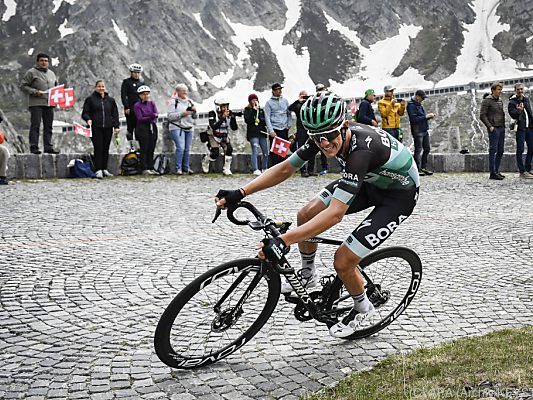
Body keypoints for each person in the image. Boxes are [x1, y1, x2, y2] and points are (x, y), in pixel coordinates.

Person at [215, 92, 420, 338]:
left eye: (329, 136)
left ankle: (363, 307)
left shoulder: (361, 151)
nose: (323, 143)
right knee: (306, 213)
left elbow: (335, 215)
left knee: (343, 260)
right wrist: (241, 192)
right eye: (316, 138)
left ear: (344, 126)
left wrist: (284, 240)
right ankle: (309, 276)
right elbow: (286, 168)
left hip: (398, 197)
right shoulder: (324, 133)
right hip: (370, 183)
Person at [19, 53, 59, 154]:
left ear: (48, 63)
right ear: (37, 62)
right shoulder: (31, 72)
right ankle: (34, 147)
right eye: (42, 60)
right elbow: (23, 86)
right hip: (36, 104)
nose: (44, 62)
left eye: (46, 61)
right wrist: (35, 92)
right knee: (35, 125)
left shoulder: (52, 74)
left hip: (49, 104)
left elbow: (56, 87)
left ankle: (48, 147)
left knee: (48, 126)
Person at [81, 80, 120, 179]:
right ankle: (98, 169)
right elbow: (85, 113)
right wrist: (88, 119)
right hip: (96, 127)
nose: (101, 88)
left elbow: (115, 114)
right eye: (99, 86)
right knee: (98, 147)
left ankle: (104, 168)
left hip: (107, 127)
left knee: (106, 148)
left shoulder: (110, 100)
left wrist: (116, 126)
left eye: (102, 86)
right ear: (95, 87)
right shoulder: (90, 99)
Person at [202, 99, 238, 175]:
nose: (225, 109)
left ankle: (226, 168)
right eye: (223, 107)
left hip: (223, 135)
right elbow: (214, 126)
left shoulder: (229, 114)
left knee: (229, 149)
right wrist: (223, 118)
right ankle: (206, 160)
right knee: (215, 153)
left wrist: (233, 118)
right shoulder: (212, 113)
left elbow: (234, 128)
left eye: (226, 107)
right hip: (213, 134)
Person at [167, 83, 196, 175]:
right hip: (176, 127)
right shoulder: (173, 102)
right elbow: (170, 117)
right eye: (183, 91)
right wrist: (182, 114)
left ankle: (186, 167)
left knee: (187, 149)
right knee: (180, 147)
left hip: (189, 127)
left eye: (186, 91)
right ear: (178, 92)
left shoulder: (190, 102)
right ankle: (178, 168)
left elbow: (194, 117)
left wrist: (194, 111)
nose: (185, 93)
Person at [480, 82, 506, 180]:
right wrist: (490, 127)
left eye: (501, 89)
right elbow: (482, 115)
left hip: (501, 128)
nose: (500, 92)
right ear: (493, 90)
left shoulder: (500, 100)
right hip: (494, 129)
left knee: (501, 150)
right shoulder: (487, 101)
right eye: (498, 90)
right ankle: (492, 172)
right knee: (493, 150)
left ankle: (496, 170)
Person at [407, 90, 435, 176]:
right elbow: (413, 119)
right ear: (417, 97)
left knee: (427, 149)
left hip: (424, 130)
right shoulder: (411, 106)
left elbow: (421, 117)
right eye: (422, 98)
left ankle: (424, 167)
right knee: (418, 150)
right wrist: (426, 117)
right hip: (417, 131)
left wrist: (428, 118)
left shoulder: (419, 105)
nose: (423, 99)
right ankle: (417, 169)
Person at [508, 83, 533, 179]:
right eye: (518, 89)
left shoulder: (526, 99)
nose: (520, 91)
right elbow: (512, 114)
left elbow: (530, 113)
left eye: (521, 89)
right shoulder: (512, 102)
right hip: (520, 129)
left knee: (531, 148)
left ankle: (528, 169)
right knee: (520, 149)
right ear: (515, 90)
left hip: (529, 128)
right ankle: (522, 171)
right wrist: (518, 111)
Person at [289, 90, 317, 177]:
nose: (304, 97)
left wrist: (310, 100)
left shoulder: (310, 105)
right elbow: (290, 108)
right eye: (303, 96)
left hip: (310, 129)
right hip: (301, 130)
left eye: (306, 96)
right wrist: (298, 100)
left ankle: (311, 170)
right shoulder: (298, 105)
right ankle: (303, 170)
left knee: (313, 149)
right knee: (301, 149)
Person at [264, 83, 291, 167]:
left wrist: (289, 124)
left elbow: (288, 113)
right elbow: (267, 117)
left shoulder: (285, 101)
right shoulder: (268, 103)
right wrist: (271, 130)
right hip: (275, 130)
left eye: (280, 89)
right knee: (274, 151)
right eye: (277, 89)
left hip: (284, 129)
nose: (279, 91)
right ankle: (273, 168)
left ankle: (282, 168)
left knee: (283, 150)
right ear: (273, 91)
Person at [133, 85, 159, 175]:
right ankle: (144, 167)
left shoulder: (151, 103)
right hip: (142, 128)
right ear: (140, 95)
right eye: (144, 94)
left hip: (152, 126)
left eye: (147, 94)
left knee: (151, 147)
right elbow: (140, 118)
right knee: (144, 148)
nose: (146, 96)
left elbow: (156, 114)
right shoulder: (137, 105)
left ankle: (151, 166)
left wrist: (150, 116)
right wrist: (151, 116)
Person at [243, 93, 268, 175]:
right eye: (253, 100)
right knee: (255, 149)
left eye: (256, 100)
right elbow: (248, 120)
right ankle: (255, 169)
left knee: (265, 151)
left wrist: (260, 120)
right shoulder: (247, 110)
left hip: (261, 133)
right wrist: (253, 110)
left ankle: (264, 168)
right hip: (253, 134)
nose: (255, 101)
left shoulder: (261, 110)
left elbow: (265, 121)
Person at [121, 63, 143, 141]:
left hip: (140, 109)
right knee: (130, 126)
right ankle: (130, 146)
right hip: (130, 108)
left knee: (139, 128)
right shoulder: (126, 82)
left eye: (138, 72)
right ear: (131, 72)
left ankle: (139, 146)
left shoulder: (141, 83)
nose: (136, 74)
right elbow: (124, 95)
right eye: (135, 72)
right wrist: (126, 106)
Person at [315, 83, 330, 174]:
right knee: (323, 148)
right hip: (320, 127)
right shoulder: (315, 101)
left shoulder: (329, 98)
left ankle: (342, 166)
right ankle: (324, 167)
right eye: (319, 90)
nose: (321, 92)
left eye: (322, 89)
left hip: (329, 125)